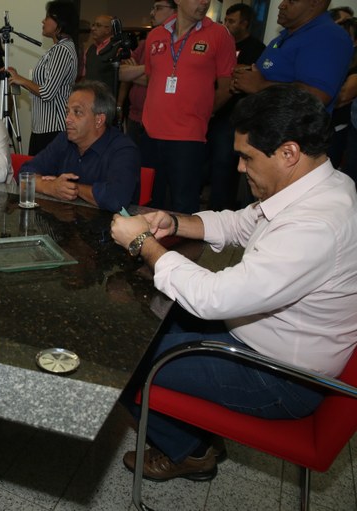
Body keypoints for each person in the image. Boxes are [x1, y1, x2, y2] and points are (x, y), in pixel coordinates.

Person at [109, 85, 357, 482]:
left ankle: (190, 452)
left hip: (280, 377)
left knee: (119, 358)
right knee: (140, 318)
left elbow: (213, 297)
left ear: (289, 153)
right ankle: (190, 432)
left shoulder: (317, 225)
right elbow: (240, 222)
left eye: (247, 157)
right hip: (258, 339)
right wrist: (175, 222)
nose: (239, 168)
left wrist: (144, 243)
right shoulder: (317, 186)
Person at [141, 0, 236, 214]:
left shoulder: (219, 35)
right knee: (147, 203)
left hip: (188, 138)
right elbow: (151, 79)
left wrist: (203, 112)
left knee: (183, 207)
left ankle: (183, 248)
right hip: (151, 134)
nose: (204, 2)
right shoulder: (155, 35)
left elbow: (227, 87)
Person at [20, 81, 140, 211]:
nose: (68, 119)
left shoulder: (123, 149)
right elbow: (25, 174)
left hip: (110, 227)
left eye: (77, 112)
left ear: (99, 120)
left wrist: (72, 188)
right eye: (68, 111)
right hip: (66, 224)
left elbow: (116, 199)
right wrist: (50, 187)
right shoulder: (64, 139)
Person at [232, 0, 353, 113]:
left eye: (292, 0)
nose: (282, 5)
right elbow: (275, 75)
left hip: (288, 134)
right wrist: (245, 78)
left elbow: (316, 97)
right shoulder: (284, 36)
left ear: (316, 3)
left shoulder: (329, 36)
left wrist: (260, 86)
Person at [206, 2, 266, 211]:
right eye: (225, 20)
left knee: (225, 168)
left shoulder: (256, 48)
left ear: (245, 23)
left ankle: (222, 211)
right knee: (210, 167)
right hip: (213, 115)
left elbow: (245, 79)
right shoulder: (222, 45)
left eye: (232, 21)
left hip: (235, 120)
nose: (226, 25)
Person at [6, 1, 79, 155]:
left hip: (53, 129)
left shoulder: (62, 50)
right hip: (43, 128)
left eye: (47, 17)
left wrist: (22, 80)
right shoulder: (57, 49)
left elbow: (47, 92)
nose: (43, 21)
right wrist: (18, 78)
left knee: (43, 177)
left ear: (60, 22)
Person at [118, 0, 176, 167]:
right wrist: (149, 68)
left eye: (158, 8)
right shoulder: (146, 43)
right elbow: (121, 73)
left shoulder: (176, 45)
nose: (152, 13)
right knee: (130, 164)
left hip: (156, 120)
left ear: (175, 11)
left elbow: (161, 81)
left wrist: (136, 71)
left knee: (150, 168)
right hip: (134, 117)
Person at [81, 15, 116, 92]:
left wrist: (120, 103)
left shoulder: (118, 48)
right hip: (89, 97)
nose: (93, 28)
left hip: (108, 99)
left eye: (98, 25)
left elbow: (125, 82)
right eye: (93, 25)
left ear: (108, 29)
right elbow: (84, 76)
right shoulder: (90, 49)